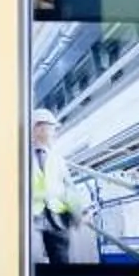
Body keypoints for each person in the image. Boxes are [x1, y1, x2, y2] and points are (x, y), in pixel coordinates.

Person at [32, 106, 84, 265]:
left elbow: (70, 187)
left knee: (61, 262)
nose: (54, 133)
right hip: (31, 219)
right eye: (51, 129)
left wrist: (78, 213)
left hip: (58, 220)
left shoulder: (58, 159)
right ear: (38, 129)